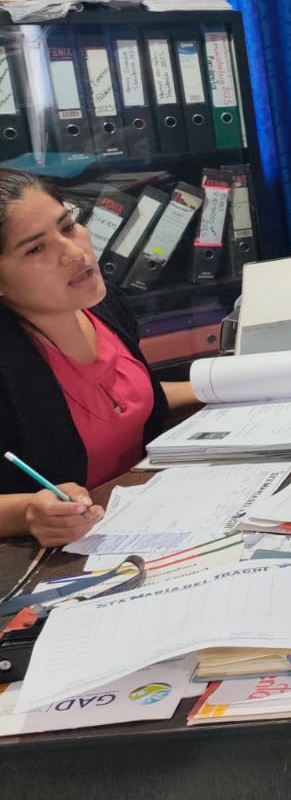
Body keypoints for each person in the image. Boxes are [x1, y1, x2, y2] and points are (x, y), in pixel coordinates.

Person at [0, 168, 197, 545]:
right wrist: (26, 513)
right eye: (36, 248)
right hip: (70, 554)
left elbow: (126, 399)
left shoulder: (104, 306)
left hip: (158, 516)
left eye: (68, 226)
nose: (74, 253)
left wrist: (228, 386)